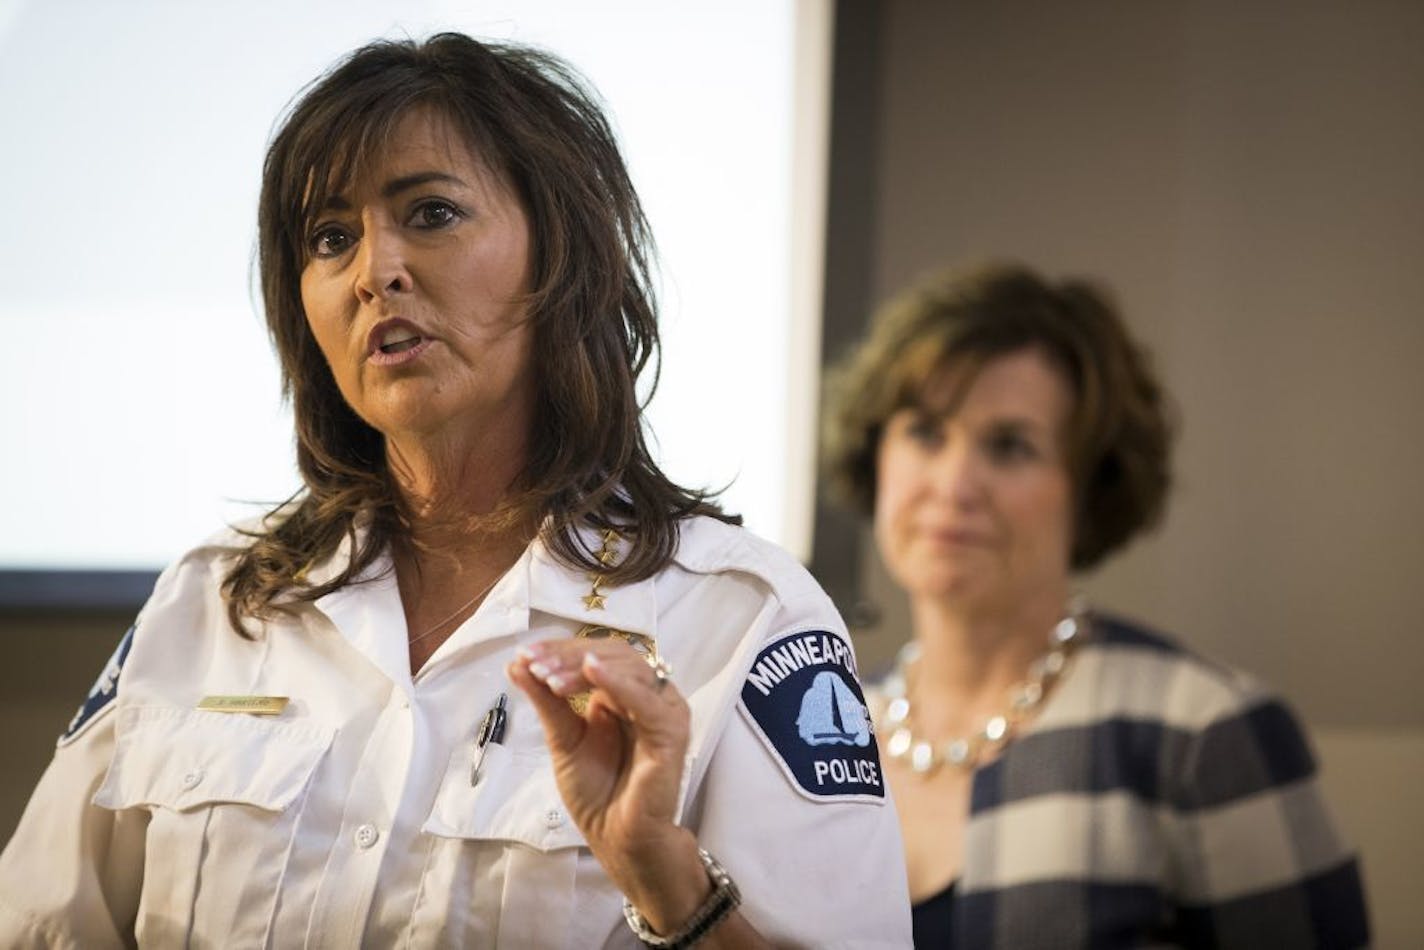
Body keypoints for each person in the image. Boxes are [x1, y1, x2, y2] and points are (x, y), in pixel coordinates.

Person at [0, 33, 911, 948]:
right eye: (330, 239)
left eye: (431, 213)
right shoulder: (214, 601)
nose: (375, 272)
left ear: (563, 257)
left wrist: (667, 878)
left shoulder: (743, 620)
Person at [822, 262, 1369, 948]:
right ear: (875, 454)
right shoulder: (820, 732)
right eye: (926, 433)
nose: (953, 485)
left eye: (1009, 445)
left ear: (1090, 491)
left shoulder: (1204, 733)